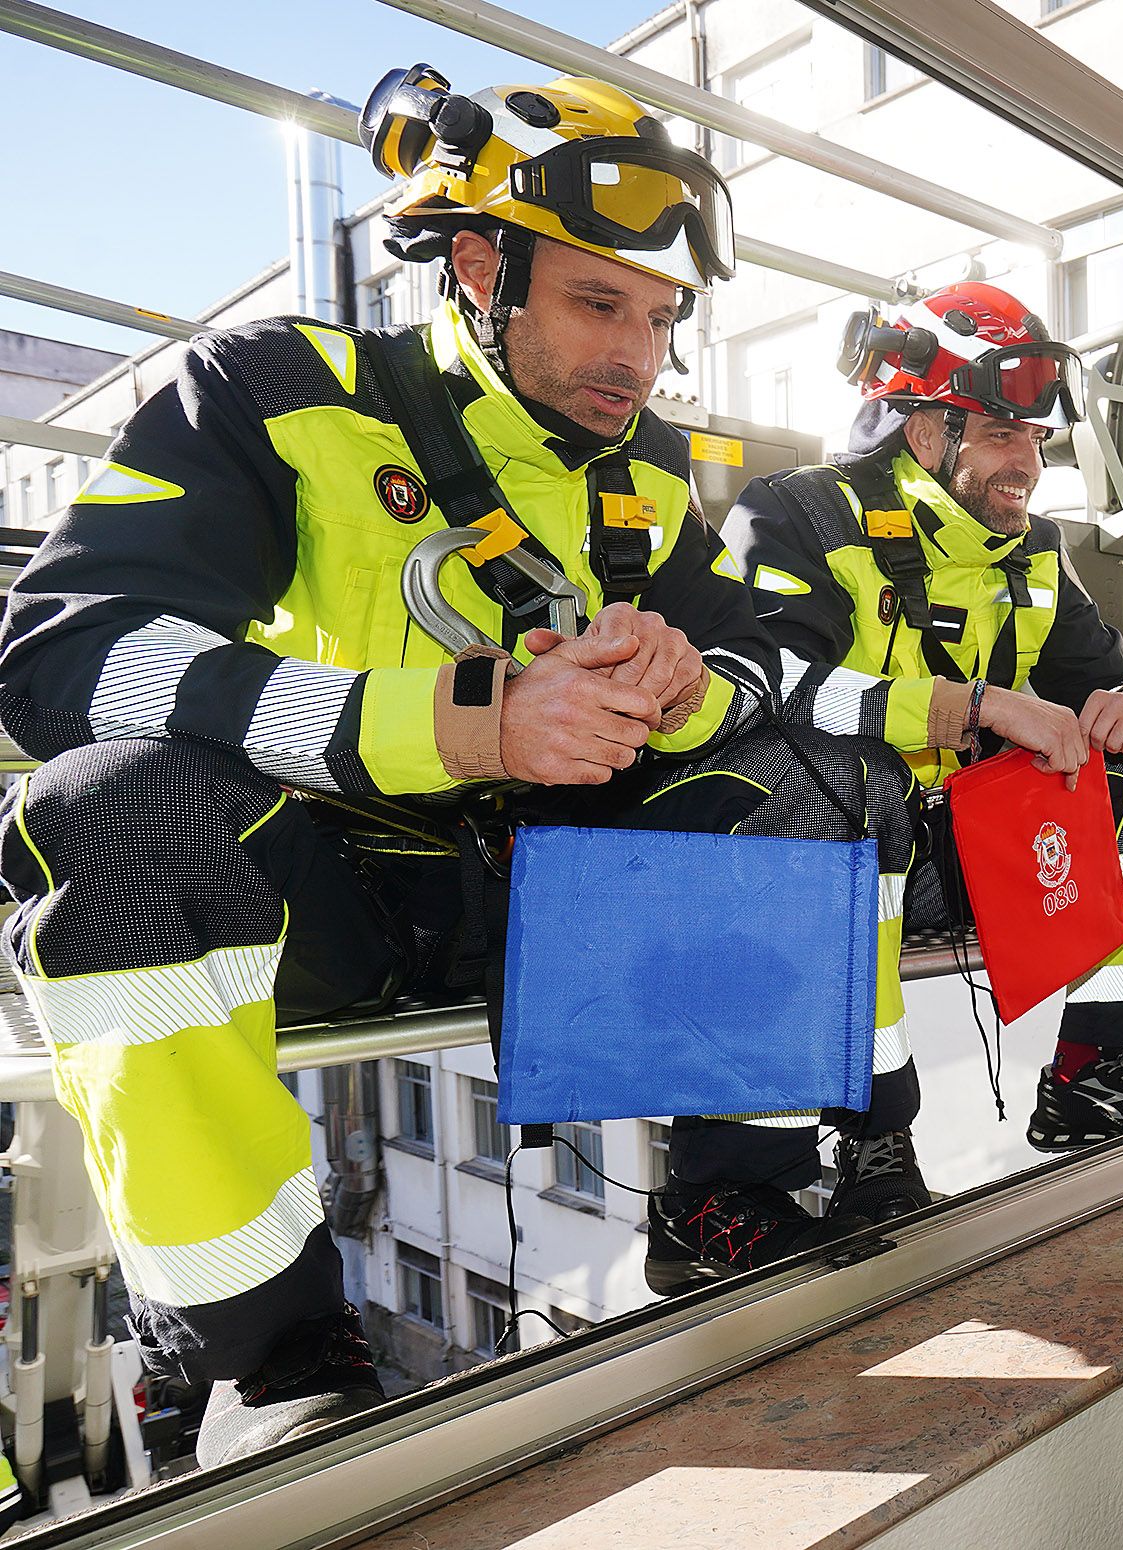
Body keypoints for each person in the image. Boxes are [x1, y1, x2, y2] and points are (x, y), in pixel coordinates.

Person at [0, 66, 918, 1464]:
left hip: (553, 898)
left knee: (840, 780)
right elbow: (66, 651)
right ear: (480, 269)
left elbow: (756, 670)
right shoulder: (272, 393)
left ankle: (726, 1196)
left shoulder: (648, 467)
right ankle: (266, 1344)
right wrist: (455, 725)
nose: (640, 356)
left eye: (662, 317)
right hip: (329, 882)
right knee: (95, 813)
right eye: (599, 303)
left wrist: (684, 688)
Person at [720, 282, 1123, 1156]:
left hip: (975, 855)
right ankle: (866, 1138)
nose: (1029, 462)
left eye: (1035, 439)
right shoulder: (794, 513)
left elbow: (1120, 679)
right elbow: (770, 688)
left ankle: (1091, 1078)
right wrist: (968, 709)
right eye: (1001, 434)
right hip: (840, 857)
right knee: (842, 779)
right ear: (924, 431)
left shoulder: (1038, 550)